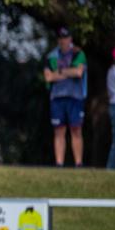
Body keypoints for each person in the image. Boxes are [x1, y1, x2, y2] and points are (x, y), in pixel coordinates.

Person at [43, 27, 87, 167]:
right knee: (59, 130)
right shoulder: (51, 56)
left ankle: (78, 163)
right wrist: (69, 72)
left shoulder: (78, 54)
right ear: (58, 40)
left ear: (70, 39)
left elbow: (78, 73)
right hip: (57, 97)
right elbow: (49, 77)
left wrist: (60, 72)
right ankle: (59, 163)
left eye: (66, 37)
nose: (63, 40)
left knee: (76, 129)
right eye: (61, 38)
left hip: (75, 97)